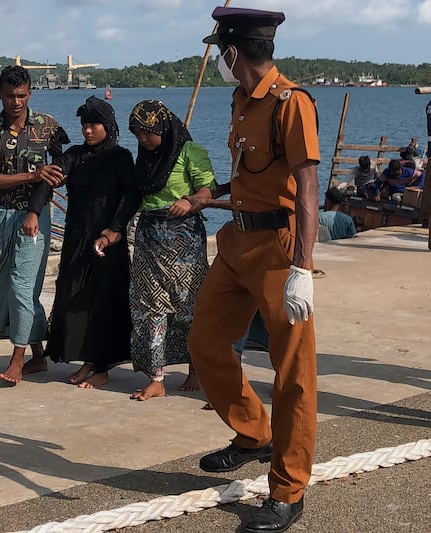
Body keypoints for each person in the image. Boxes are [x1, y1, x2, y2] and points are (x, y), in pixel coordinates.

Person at [189, 7, 320, 533]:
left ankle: (288, 488)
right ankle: (253, 433)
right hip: (238, 240)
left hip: (278, 248)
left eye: (218, 50)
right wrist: (213, 192)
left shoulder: (292, 103)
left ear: (231, 52)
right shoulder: (242, 100)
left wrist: (303, 268)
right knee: (204, 343)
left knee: (293, 373)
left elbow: (308, 186)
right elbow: (249, 172)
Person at [0, 65, 70, 384]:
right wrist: (32, 175)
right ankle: (39, 356)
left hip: (35, 216)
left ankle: (17, 359)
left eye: (22, 95)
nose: (16, 102)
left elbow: (61, 168)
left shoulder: (48, 126)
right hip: (2, 216)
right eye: (10, 96)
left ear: (30, 93)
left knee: (21, 286)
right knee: (8, 285)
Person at [38, 96, 138, 389]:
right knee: (75, 298)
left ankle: (102, 367)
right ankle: (87, 361)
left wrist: (115, 229)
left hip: (108, 239)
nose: (88, 131)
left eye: (94, 125)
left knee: (105, 301)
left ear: (107, 126)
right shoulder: (76, 155)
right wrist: (33, 211)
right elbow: (50, 179)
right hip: (77, 238)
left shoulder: (120, 158)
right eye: (84, 125)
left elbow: (131, 195)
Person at [127, 99, 216, 401]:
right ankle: (157, 377)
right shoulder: (144, 158)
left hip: (184, 240)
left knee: (188, 305)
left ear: (162, 128)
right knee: (148, 306)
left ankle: (196, 367)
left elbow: (209, 190)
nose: (142, 140)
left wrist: (190, 201)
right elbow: (135, 197)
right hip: (148, 239)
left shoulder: (191, 153)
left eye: (146, 133)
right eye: (136, 134)